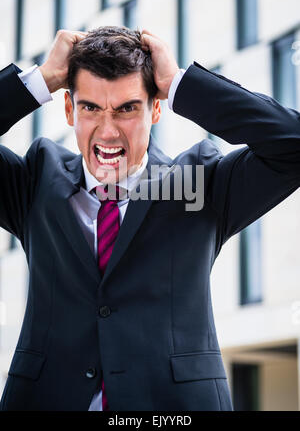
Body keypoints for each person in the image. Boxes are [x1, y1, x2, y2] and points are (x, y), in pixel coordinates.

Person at [0, 26, 299, 411]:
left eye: (127, 108)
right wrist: (40, 80)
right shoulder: (35, 179)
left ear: (155, 108)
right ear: (70, 109)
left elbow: (292, 145)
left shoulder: (201, 184)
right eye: (90, 107)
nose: (107, 132)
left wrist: (179, 84)